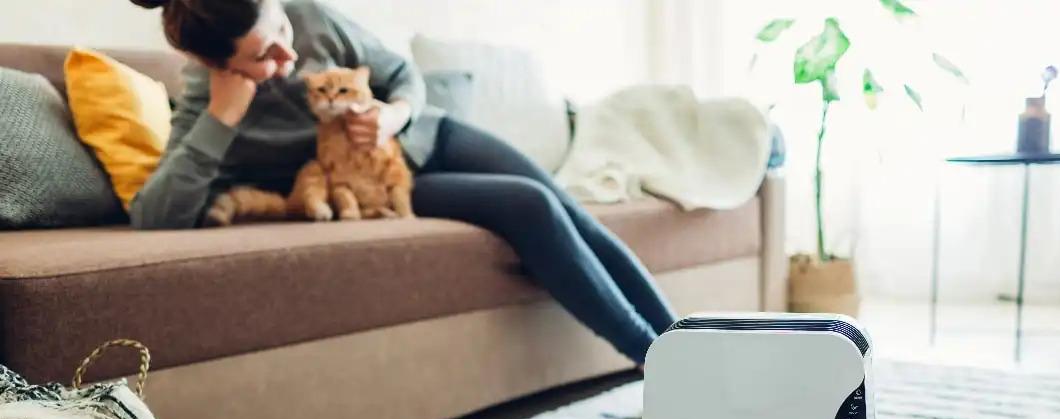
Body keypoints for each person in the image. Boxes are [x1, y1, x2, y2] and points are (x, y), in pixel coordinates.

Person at [127, 0, 677, 367]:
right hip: (389, 187)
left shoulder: (309, 14)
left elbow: (401, 75)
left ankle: (689, 347)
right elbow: (153, 217)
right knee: (531, 205)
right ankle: (654, 363)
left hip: (429, 137)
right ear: (218, 65)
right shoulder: (208, 100)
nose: (288, 55)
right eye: (263, 56)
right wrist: (221, 118)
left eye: (283, 32)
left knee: (572, 210)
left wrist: (393, 115)